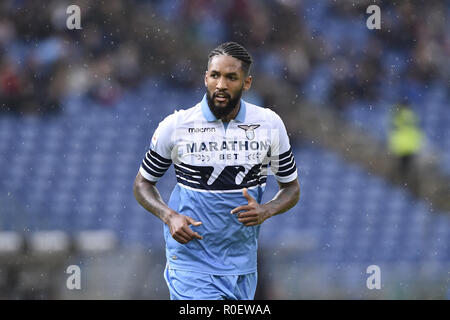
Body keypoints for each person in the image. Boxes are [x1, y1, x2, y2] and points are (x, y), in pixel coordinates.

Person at [133, 42, 300, 300]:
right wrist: (169, 216)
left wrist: (266, 210)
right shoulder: (177, 126)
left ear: (246, 83)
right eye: (215, 75)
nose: (221, 84)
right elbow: (142, 184)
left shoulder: (269, 124)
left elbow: (291, 188)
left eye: (231, 77)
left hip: (242, 265)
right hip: (191, 264)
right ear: (206, 78)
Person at [388, 103, 423, 192]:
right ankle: (409, 187)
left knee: (402, 169)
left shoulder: (399, 116)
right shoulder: (412, 115)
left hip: (402, 147)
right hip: (410, 146)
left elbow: (394, 130)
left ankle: (401, 185)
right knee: (409, 169)